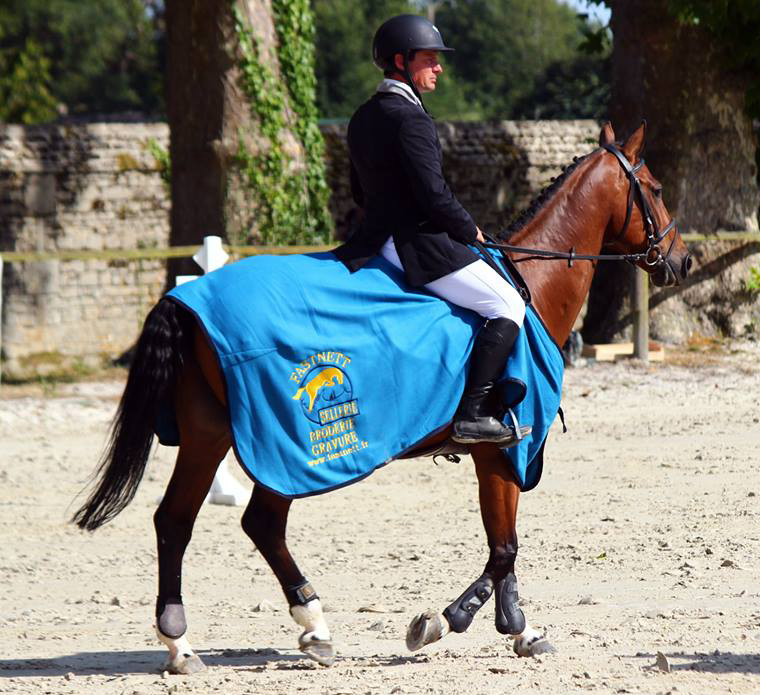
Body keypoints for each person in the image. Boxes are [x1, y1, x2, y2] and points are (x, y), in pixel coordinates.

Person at [334, 14, 530, 446]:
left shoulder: (363, 116)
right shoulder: (411, 119)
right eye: (429, 59)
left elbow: (358, 191)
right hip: (419, 246)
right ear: (401, 61)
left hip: (374, 243)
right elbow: (435, 196)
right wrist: (470, 230)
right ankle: (474, 413)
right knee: (508, 304)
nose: (439, 68)